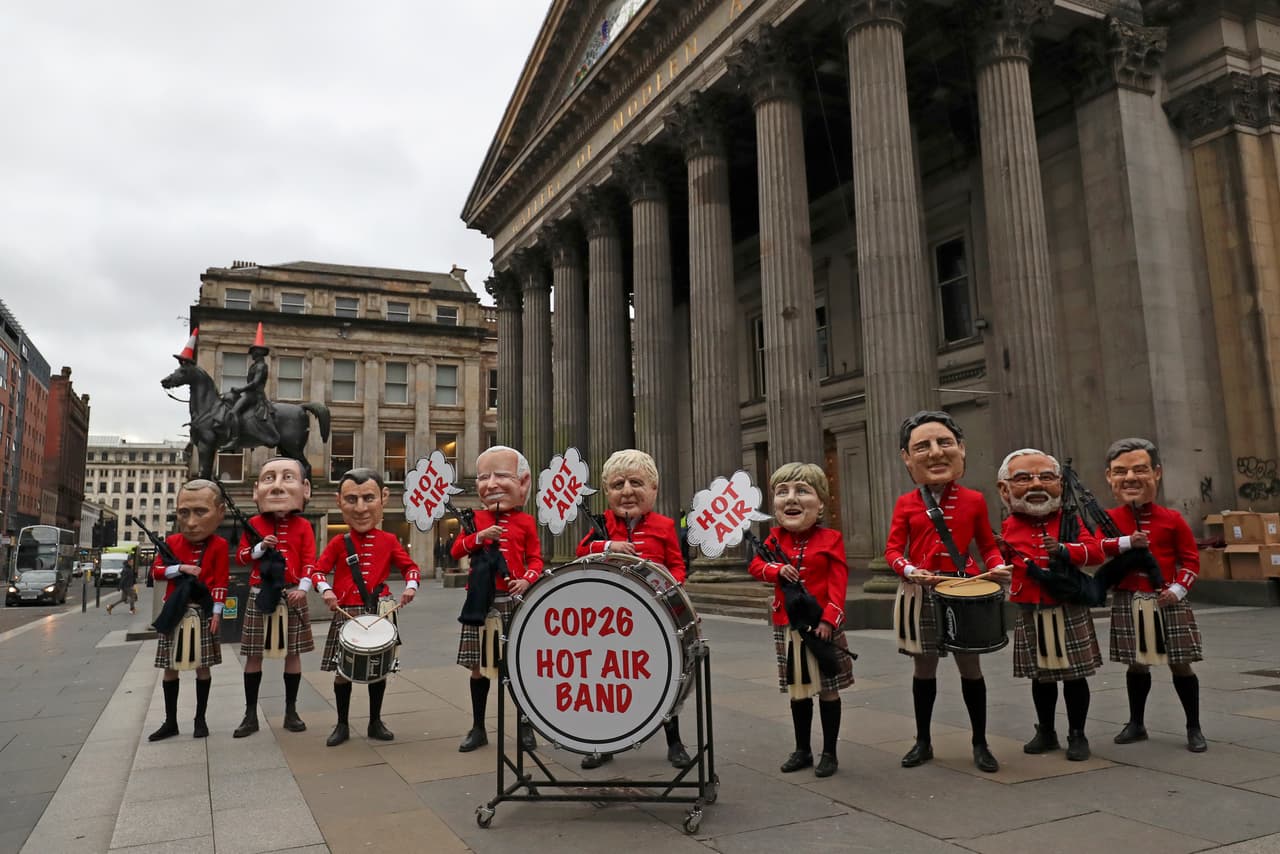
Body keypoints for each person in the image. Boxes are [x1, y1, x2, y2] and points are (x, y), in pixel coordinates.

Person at [885, 411, 1009, 773]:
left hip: (965, 591)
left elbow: (987, 545)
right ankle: (922, 741)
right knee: (924, 669)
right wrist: (909, 569)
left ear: (961, 449)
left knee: (971, 668)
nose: (936, 453)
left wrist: (997, 564)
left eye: (944, 443)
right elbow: (892, 550)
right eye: (923, 446)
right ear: (907, 457)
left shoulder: (973, 500)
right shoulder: (906, 503)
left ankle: (980, 742)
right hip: (923, 593)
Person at [575, 449, 693, 770]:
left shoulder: (665, 526)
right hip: (611, 622)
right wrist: (607, 546)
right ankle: (604, 743)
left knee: (665, 680)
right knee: (608, 683)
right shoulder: (603, 525)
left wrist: (671, 587)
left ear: (653, 490)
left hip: (656, 617)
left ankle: (674, 741)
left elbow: (677, 567)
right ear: (608, 492)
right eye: (618, 484)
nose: (627, 491)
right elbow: (581, 551)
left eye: (636, 483)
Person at [1099, 437, 1206, 753]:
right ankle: (1136, 723)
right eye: (1121, 471)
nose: (1130, 478)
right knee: (1136, 664)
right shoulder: (1109, 519)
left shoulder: (1171, 519)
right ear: (1109, 477)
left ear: (1157, 473)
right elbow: (1094, 550)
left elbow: (1190, 560)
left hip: (1166, 600)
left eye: (1140, 470)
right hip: (1129, 598)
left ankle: (1194, 727)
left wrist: (1177, 589)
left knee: (1181, 664)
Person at [748, 462, 854, 778]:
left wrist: (830, 621)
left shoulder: (831, 539)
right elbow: (755, 566)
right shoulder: (773, 540)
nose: (791, 499)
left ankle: (830, 752)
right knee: (798, 689)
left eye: (802, 491)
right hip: (789, 624)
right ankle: (802, 749)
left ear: (821, 502)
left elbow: (838, 582)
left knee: (828, 688)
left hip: (822, 625)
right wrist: (775, 570)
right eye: (783, 492)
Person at [997, 448, 1105, 761]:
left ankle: (1077, 734)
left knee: (1074, 675)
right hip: (1032, 607)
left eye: (1046, 477)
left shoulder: (1070, 520)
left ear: (1059, 483)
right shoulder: (1008, 526)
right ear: (1005, 489)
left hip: (1068, 603)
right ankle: (1046, 731)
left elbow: (1096, 552)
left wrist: (1065, 551)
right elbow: (1000, 562)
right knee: (1040, 676)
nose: (1036, 485)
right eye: (1023, 478)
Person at [311, 468, 419, 747]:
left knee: (378, 670)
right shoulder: (339, 542)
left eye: (368, 498)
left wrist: (410, 587)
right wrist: (327, 591)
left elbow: (411, 568)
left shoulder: (389, 540)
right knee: (341, 672)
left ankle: (375, 721)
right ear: (339, 502)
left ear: (383, 498)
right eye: (352, 500)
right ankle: (342, 724)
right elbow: (318, 572)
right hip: (347, 611)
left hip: (378, 612)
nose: (360, 509)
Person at [453, 445, 543, 753]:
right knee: (481, 666)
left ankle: (525, 725)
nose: (491, 484)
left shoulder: (526, 522)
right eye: (483, 477)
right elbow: (457, 551)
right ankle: (478, 728)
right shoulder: (474, 518)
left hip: (514, 600)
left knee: (518, 666)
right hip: (482, 602)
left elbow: (536, 561)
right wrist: (478, 538)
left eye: (502, 475)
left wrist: (526, 580)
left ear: (523, 483)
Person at [233, 456, 316, 738]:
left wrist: (302, 589)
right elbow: (242, 557)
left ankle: (291, 711)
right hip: (261, 593)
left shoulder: (304, 526)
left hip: (291, 592)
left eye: (287, 478)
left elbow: (309, 561)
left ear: (304, 489)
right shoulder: (254, 522)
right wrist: (258, 547)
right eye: (269, 479)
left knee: (293, 654)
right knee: (253, 656)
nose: (278, 487)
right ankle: (250, 713)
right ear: (257, 490)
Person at [146, 479, 230, 741]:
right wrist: (180, 568)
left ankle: (200, 719)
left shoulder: (219, 546)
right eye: (184, 513)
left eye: (200, 512)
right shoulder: (171, 542)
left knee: (202, 667)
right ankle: (170, 721)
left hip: (201, 612)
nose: (191, 522)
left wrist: (217, 611)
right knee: (169, 667)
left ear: (220, 512)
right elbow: (157, 571)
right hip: (175, 612)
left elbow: (220, 582)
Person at [223, 323, 279, 450]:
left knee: (233, 412)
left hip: (254, 395)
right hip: (250, 394)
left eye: (253, 351)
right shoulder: (255, 365)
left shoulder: (261, 366)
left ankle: (235, 440)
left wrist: (240, 389)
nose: (252, 354)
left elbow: (255, 383)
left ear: (258, 352)